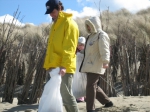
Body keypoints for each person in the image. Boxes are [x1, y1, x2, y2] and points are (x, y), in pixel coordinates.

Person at [43, 0, 79, 112]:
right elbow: (52, 48)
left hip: (64, 67)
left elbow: (70, 47)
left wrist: (64, 66)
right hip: (55, 66)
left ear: (59, 8)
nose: (50, 14)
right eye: (49, 12)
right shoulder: (55, 24)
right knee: (56, 95)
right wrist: (49, 64)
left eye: (52, 11)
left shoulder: (69, 23)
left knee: (66, 95)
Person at [79, 16, 113, 112]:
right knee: (93, 85)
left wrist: (105, 61)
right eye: (87, 26)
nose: (88, 28)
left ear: (95, 24)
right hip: (89, 65)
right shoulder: (90, 36)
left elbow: (105, 49)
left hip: (96, 64)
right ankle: (107, 102)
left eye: (90, 25)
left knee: (90, 86)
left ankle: (90, 109)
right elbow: (88, 51)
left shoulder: (101, 35)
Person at [72, 36, 86, 103]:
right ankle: (77, 97)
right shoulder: (74, 51)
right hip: (76, 68)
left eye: (82, 45)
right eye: (79, 44)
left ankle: (83, 96)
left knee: (83, 82)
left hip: (83, 69)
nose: (80, 46)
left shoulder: (86, 51)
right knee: (76, 82)